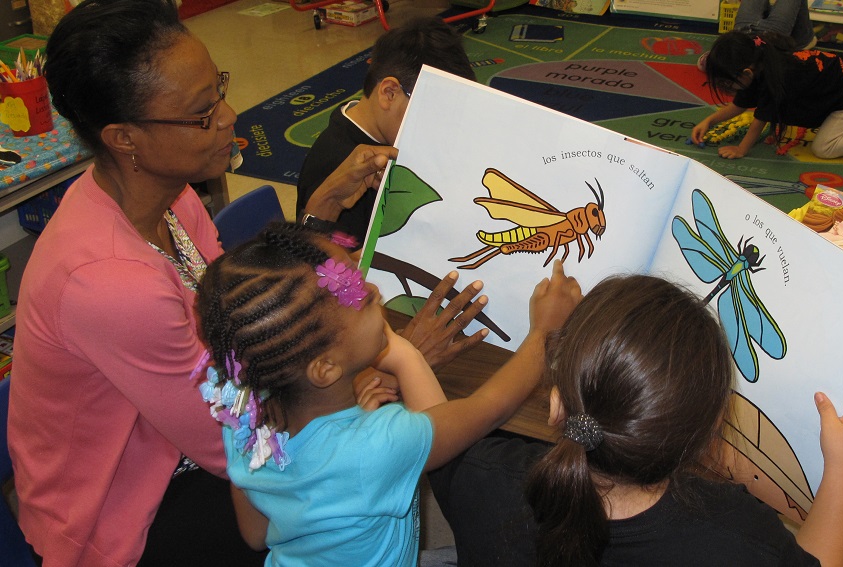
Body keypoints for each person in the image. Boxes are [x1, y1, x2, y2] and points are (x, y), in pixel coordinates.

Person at [7, 0, 480, 565]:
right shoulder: (109, 283)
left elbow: (243, 313)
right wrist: (376, 364)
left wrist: (319, 214)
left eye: (219, 90)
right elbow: (242, 444)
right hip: (129, 513)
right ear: (124, 137)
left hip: (198, 436)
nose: (229, 115)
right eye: (202, 114)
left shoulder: (171, 193)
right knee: (361, 472)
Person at [193, 221, 582, 566]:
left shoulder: (245, 417)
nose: (376, 291)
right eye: (363, 300)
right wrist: (544, 333)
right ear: (325, 368)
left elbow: (255, 534)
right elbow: (485, 409)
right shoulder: (377, 444)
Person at [429, 274, 843, 566]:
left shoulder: (481, 475)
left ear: (557, 405)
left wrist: (540, 335)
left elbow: (430, 425)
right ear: (703, 441)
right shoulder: (737, 535)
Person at [296, 16, 476, 247]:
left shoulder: (387, 134)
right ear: (389, 93)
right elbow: (341, 269)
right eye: (434, 112)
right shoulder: (338, 168)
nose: (442, 128)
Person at [691, 30, 843, 160]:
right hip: (840, 86)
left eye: (725, 84)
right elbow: (738, 106)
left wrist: (740, 149)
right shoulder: (756, 64)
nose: (724, 89)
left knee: (824, 148)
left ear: (746, 73)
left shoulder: (775, 77)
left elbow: (760, 120)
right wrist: (708, 121)